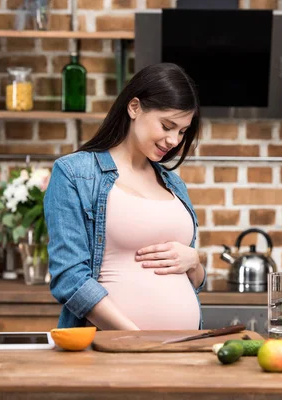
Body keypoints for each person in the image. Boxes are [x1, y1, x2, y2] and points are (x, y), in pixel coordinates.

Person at [44, 63, 206, 330]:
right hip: (112, 351)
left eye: (182, 131)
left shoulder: (174, 185)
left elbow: (195, 282)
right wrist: (136, 339)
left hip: (183, 351)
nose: (174, 140)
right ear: (134, 107)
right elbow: (69, 278)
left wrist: (194, 263)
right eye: (167, 125)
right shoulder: (75, 173)